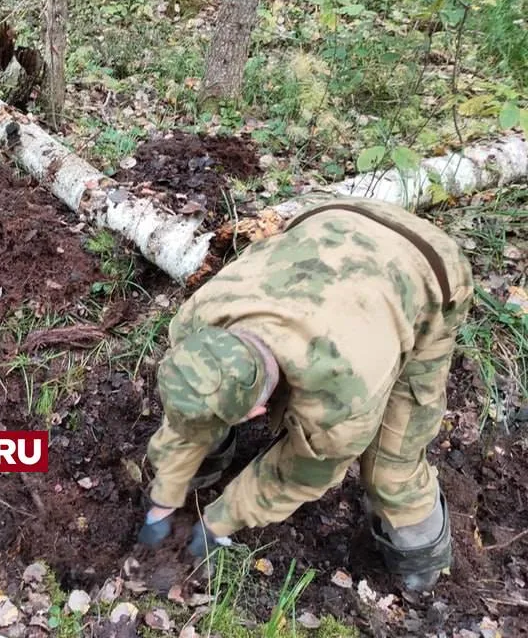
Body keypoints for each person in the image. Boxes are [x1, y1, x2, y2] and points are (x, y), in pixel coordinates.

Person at [136, 193, 474, 592]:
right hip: (330, 219)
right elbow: (192, 403)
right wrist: (165, 494)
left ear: (257, 414)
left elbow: (297, 475)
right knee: (205, 401)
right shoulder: (198, 317)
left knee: (391, 465)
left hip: (429, 270)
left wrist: (220, 519)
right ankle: (203, 465)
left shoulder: (342, 401)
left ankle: (420, 558)